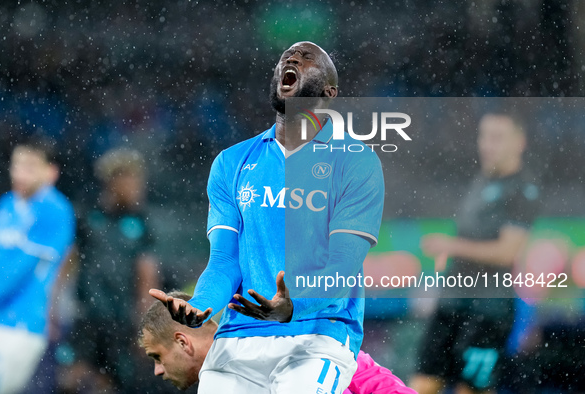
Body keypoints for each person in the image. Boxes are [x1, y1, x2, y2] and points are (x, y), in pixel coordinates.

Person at [150, 41, 385, 393]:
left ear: (328, 92)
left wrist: (293, 306)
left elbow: (342, 268)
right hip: (237, 339)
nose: (291, 58)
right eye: (285, 57)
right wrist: (200, 306)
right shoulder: (232, 162)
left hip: (316, 335)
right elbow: (224, 262)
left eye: (306, 58)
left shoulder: (355, 162)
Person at [409, 112, 540, 394]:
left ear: (519, 142)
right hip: (452, 304)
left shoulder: (523, 189)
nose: (487, 144)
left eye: (497, 138)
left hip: (488, 313)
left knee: (471, 390)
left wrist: (451, 246)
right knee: (421, 385)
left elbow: (507, 252)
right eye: (484, 136)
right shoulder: (481, 180)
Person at [140, 291, 417, 394]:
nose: (158, 371)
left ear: (182, 342)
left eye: (157, 357)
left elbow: (372, 379)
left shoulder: (295, 345)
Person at [68, 148, 160, 392]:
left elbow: (146, 275)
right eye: (133, 180)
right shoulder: (87, 216)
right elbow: (70, 262)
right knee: (70, 378)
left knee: (116, 383)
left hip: (121, 321)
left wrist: (145, 322)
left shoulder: (140, 222)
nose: (139, 187)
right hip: (87, 316)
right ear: (114, 180)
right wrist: (57, 304)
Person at [0, 136, 75, 394]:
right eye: (16, 165)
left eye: (30, 166)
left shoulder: (54, 209)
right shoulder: (6, 205)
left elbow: (16, 271)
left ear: (50, 172)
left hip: (21, 325)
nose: (19, 173)